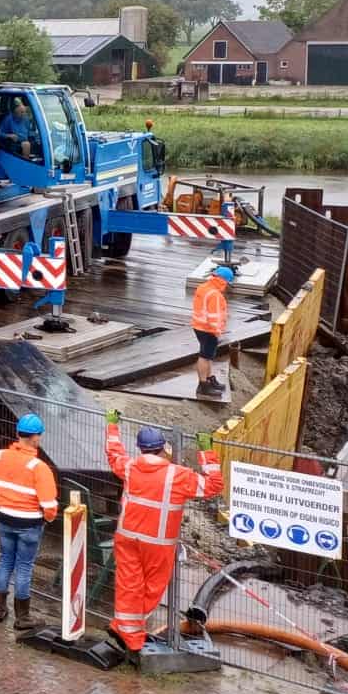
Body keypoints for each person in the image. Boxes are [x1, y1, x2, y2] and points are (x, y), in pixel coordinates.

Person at [103, 413, 220, 658]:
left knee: (128, 585)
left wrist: (112, 425)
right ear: (163, 448)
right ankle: (131, 635)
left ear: (141, 448)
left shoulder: (130, 467)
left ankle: (122, 627)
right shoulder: (177, 475)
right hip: (157, 543)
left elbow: (114, 454)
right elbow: (213, 486)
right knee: (152, 588)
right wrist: (206, 451)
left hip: (126, 537)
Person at [0, 413, 58, 630]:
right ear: (36, 438)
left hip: (4, 518)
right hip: (30, 524)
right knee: (24, 566)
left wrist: (1, 505)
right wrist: (47, 518)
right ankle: (23, 617)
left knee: (5, 559)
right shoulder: (38, 467)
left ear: (17, 433)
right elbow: (49, 504)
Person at [191, 265, 234, 398]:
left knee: (208, 355)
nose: (227, 286)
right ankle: (203, 385)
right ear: (223, 280)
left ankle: (209, 379)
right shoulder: (215, 294)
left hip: (199, 326)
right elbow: (213, 315)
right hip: (208, 329)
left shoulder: (203, 287)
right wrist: (217, 331)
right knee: (205, 356)